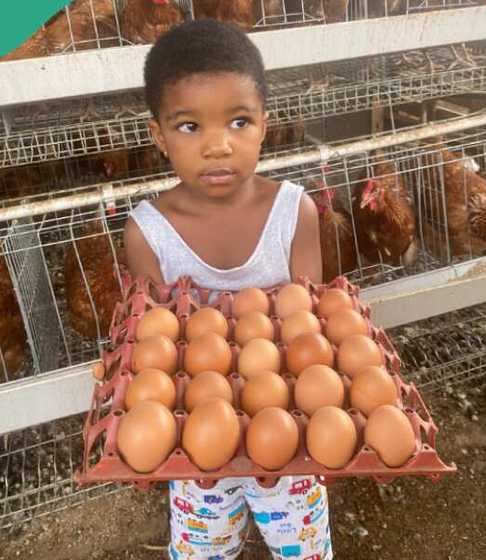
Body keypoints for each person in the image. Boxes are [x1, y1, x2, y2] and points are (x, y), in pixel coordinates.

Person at [123, 19, 330, 559]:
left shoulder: (295, 214)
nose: (218, 147)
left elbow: (311, 332)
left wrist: (321, 412)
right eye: (189, 127)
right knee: (203, 553)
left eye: (238, 121)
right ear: (158, 135)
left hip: (294, 438)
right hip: (196, 451)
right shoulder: (148, 233)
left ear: (265, 125)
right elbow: (154, 348)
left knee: (304, 551)